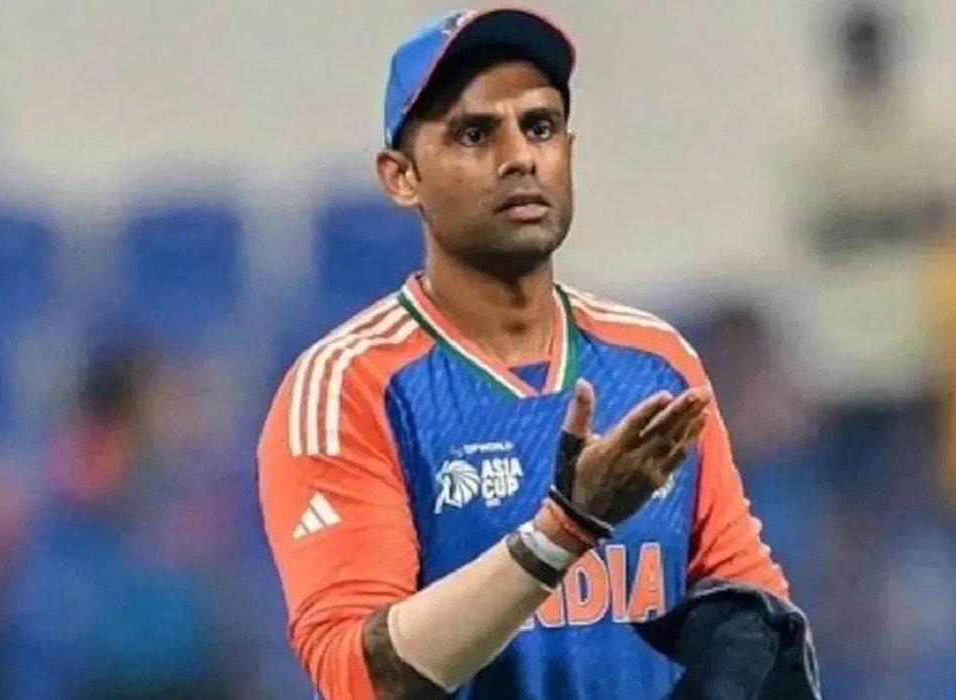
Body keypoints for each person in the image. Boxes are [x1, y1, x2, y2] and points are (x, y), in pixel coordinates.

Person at [257, 8, 788, 699]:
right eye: (475, 134)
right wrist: (563, 532)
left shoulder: (656, 361)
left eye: (539, 127)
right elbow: (359, 677)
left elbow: (752, 611)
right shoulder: (348, 387)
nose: (520, 157)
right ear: (401, 177)